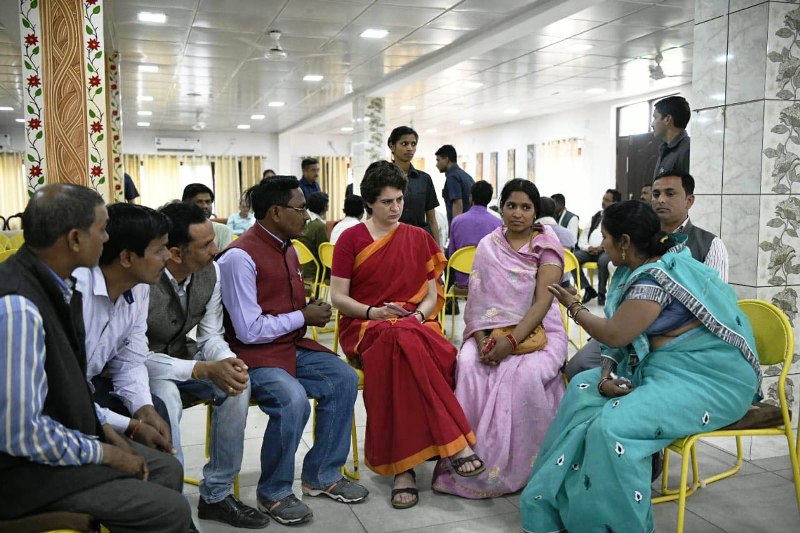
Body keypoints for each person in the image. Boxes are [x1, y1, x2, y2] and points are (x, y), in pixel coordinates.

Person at [520, 200, 760, 533]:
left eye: (605, 237)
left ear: (625, 242)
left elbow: (616, 333)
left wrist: (574, 306)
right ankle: (564, 508)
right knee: (583, 389)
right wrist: (605, 376)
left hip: (708, 380)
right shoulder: (642, 269)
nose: (601, 245)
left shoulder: (656, 278)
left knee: (612, 427)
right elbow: (628, 339)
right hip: (662, 370)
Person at [0, 184, 190, 531]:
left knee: (165, 468)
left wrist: (110, 431)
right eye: (101, 230)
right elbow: (20, 434)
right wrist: (105, 452)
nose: (107, 239)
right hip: (20, 474)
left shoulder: (57, 286)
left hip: (60, 438)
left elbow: (72, 383)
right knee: (170, 509)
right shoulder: (19, 307)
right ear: (74, 239)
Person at [330, 160, 483, 510]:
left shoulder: (418, 237)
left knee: (404, 342)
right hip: (365, 325)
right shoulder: (350, 238)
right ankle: (456, 443)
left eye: (399, 199)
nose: (396, 207)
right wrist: (374, 312)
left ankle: (404, 470)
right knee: (400, 340)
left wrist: (415, 314)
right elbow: (338, 297)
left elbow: (431, 295)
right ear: (369, 202)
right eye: (387, 202)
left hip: (415, 324)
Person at [217, 177, 368, 526]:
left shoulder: (287, 245)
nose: (307, 216)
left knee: (343, 377)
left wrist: (304, 309)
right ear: (275, 212)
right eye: (300, 209)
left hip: (290, 346)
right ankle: (274, 491)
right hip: (253, 355)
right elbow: (248, 330)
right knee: (292, 399)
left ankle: (322, 474)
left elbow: (282, 309)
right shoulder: (239, 257)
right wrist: (302, 315)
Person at [431, 179, 567, 499]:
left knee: (525, 376)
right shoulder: (489, 244)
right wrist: (480, 341)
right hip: (488, 331)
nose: (517, 213)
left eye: (525, 207)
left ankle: (525, 466)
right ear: (500, 207)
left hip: (539, 331)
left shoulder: (546, 244)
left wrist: (511, 343)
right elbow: (478, 302)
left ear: (535, 211)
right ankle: (465, 458)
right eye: (511, 205)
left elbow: (542, 303)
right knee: (467, 366)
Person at [146, 202, 268, 529]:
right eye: (205, 245)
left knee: (236, 386)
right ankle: (172, 505)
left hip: (183, 353)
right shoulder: (144, 279)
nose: (216, 250)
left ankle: (216, 494)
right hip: (144, 365)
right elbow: (132, 357)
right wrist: (201, 369)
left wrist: (227, 361)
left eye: (214, 240)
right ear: (174, 253)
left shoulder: (209, 272)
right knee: (167, 399)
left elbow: (210, 334)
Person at [565, 171, 729, 380]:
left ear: (689, 200)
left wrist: (659, 338)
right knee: (578, 367)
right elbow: (620, 305)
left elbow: (715, 308)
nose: (660, 199)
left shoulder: (710, 245)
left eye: (670, 194)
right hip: (627, 330)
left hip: (678, 340)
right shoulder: (635, 240)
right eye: (656, 194)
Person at [76, 203, 174, 453]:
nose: (168, 256)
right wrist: (130, 425)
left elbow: (129, 361)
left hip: (87, 386)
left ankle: (157, 484)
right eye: (160, 249)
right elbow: (60, 394)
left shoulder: (139, 287)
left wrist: (143, 408)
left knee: (155, 410)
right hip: (55, 399)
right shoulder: (76, 293)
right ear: (127, 257)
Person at [389, 126, 441, 247]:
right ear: (392, 146)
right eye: (404, 144)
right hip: (391, 241)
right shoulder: (383, 177)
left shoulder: (424, 179)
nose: (410, 148)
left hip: (419, 242)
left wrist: (438, 251)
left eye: (413, 144)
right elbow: (373, 217)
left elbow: (432, 220)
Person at [447, 180, 502, 287]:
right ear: (489, 199)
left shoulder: (456, 221)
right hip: (487, 282)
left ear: (471, 197)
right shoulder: (497, 223)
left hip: (462, 282)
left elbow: (451, 255)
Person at [575, 188, 620, 305]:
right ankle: (588, 289)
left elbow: (617, 238)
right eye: (603, 199)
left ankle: (601, 294)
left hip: (607, 251)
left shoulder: (618, 219)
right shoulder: (596, 216)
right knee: (573, 259)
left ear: (615, 203)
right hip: (590, 251)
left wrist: (602, 248)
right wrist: (589, 248)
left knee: (603, 261)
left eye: (607, 200)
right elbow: (583, 237)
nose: (603, 202)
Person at [182, 183, 233, 250]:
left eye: (208, 202)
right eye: (199, 202)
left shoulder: (222, 230)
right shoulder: (178, 229)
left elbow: (225, 258)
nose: (205, 206)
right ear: (186, 204)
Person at [652, 95, 691, 178]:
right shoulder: (665, 149)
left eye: (655, 118)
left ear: (667, 119)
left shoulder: (687, 150)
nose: (652, 124)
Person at [435, 144, 475, 225]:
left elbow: (457, 203)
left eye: (438, 160)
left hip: (462, 226)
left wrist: (456, 227)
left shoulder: (452, 177)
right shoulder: (465, 175)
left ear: (446, 159)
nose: (436, 164)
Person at [298, 191, 329, 281]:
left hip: (298, 268)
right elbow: (324, 255)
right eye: (327, 206)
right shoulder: (319, 226)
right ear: (323, 208)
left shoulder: (298, 220)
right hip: (313, 272)